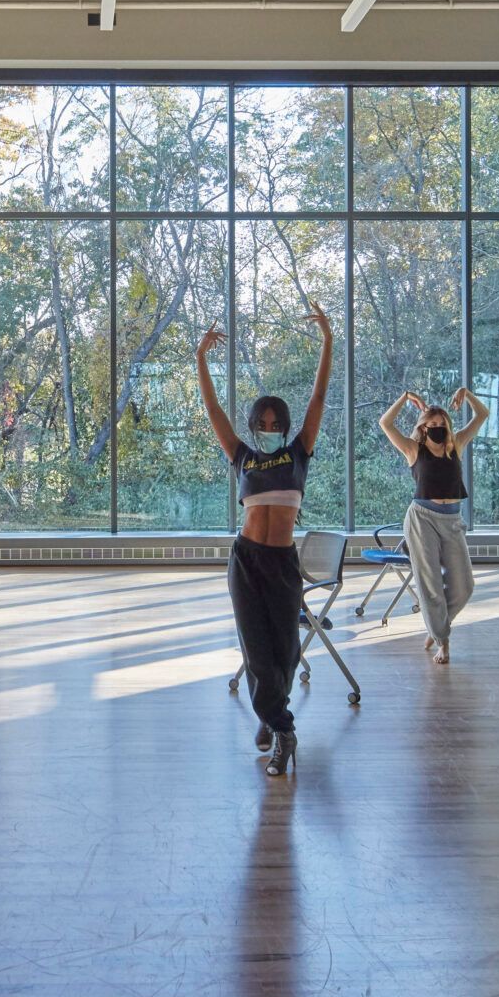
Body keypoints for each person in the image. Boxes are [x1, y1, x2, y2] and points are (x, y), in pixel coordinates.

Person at [197, 305, 332, 778]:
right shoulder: (242, 458)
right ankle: (282, 729)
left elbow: (318, 396)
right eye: (264, 424)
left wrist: (327, 339)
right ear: (254, 426)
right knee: (256, 650)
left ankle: (269, 715)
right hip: (247, 561)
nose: (272, 431)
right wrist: (200, 359)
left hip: (282, 563)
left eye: (278, 424)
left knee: (286, 652)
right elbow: (213, 410)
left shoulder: (299, 454)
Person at [377, 388, 488, 663]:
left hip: (451, 520)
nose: (438, 428)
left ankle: (436, 626)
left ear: (448, 426)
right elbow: (385, 423)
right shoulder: (415, 449)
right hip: (422, 518)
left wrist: (467, 393)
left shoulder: (457, 445)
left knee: (464, 586)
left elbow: (482, 414)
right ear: (423, 428)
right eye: (432, 425)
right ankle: (443, 641)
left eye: (442, 425)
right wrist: (404, 398)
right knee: (431, 584)